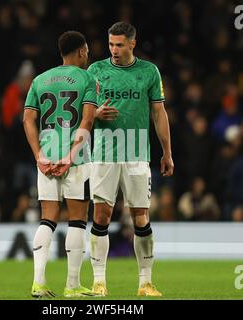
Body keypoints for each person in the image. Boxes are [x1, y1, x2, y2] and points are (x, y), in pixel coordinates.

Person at [88, 22, 174, 297]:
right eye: (111, 44)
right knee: (101, 215)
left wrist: (167, 152)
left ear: (132, 44)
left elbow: (159, 114)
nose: (114, 50)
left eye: (120, 45)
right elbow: (82, 110)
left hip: (137, 152)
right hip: (104, 153)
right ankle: (99, 282)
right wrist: (95, 114)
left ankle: (145, 283)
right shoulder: (96, 71)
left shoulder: (149, 71)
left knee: (140, 216)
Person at [23, 31, 98, 298]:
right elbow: (87, 122)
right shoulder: (88, 78)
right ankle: (73, 285)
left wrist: (39, 155)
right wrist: (71, 155)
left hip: (46, 157)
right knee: (78, 221)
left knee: (47, 219)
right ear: (80, 51)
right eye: (87, 51)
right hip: (75, 159)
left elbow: (28, 120)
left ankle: (38, 283)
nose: (88, 55)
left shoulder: (39, 80)